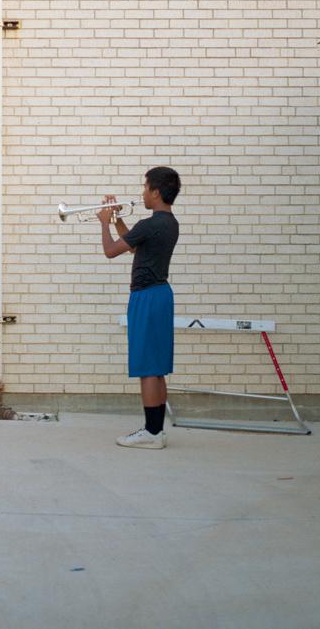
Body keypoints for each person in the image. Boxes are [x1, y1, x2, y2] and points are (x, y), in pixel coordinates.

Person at [97, 166, 181, 449]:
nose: (142, 193)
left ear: (156, 192)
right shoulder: (168, 223)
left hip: (145, 297)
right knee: (157, 368)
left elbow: (110, 251)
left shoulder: (150, 224)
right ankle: (157, 431)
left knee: (147, 367)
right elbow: (133, 246)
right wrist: (119, 218)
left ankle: (150, 433)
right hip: (161, 295)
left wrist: (104, 222)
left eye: (145, 188)